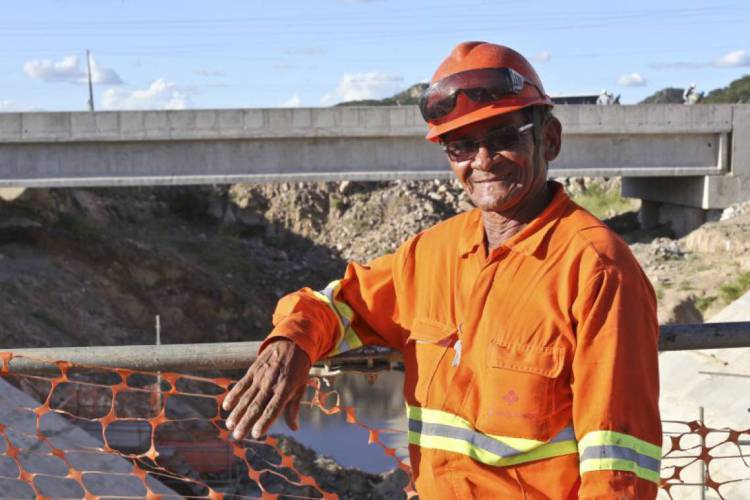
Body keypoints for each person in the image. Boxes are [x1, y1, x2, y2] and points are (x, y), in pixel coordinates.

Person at [223, 42, 662, 499]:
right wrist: (290, 342)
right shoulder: (432, 254)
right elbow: (340, 306)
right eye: (462, 146)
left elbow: (618, 468)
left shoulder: (596, 269)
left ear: (548, 138)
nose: (483, 160)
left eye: (505, 137)